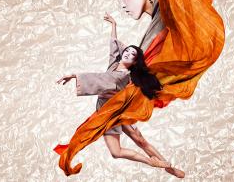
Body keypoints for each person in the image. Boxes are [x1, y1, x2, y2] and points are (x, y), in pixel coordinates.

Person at [56, 0, 225, 177]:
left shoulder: (171, 10)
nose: (121, 2)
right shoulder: (156, 24)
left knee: (132, 139)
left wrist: (79, 77)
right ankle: (169, 167)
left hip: (125, 95)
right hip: (122, 98)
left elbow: (121, 77)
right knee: (134, 139)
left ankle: (166, 166)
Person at [55, 13, 177, 172]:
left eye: (133, 54)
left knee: (140, 140)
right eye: (127, 51)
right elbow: (114, 49)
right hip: (106, 113)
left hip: (117, 110)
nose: (127, 53)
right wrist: (114, 26)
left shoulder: (123, 76)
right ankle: (153, 162)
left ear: (134, 62)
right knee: (116, 152)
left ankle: (168, 167)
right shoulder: (115, 65)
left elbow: (102, 79)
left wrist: (74, 76)